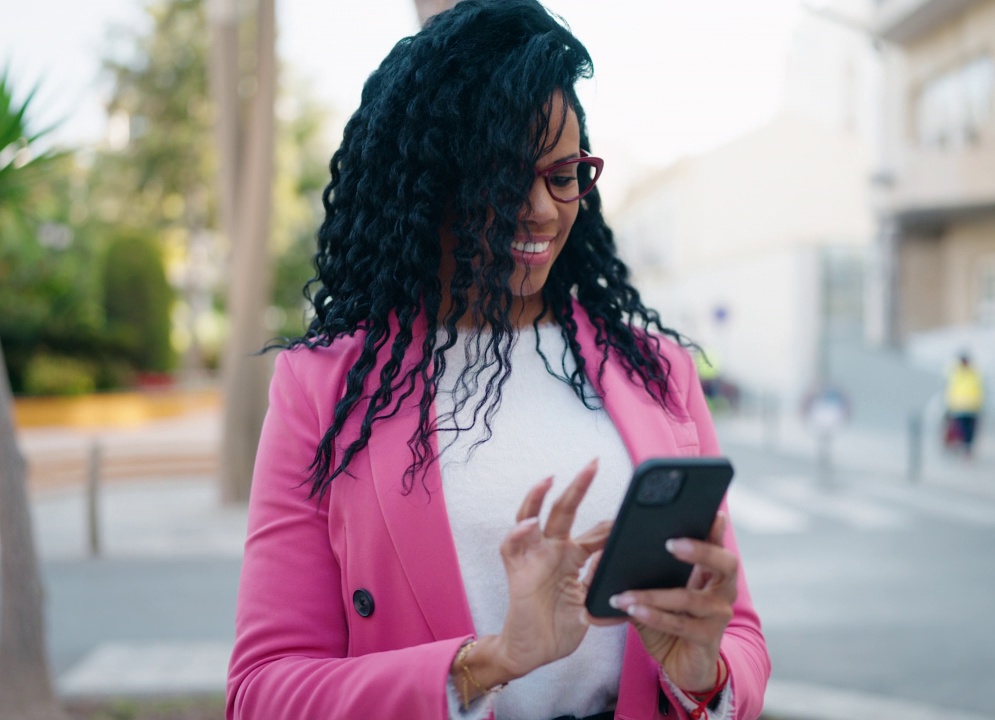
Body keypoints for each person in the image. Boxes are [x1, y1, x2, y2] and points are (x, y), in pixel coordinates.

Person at [226, 2, 770, 718]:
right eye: (502, 175)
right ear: (424, 183)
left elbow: (741, 634)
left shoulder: (656, 370)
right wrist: (485, 665)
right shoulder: (323, 387)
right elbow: (263, 689)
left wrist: (703, 672)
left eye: (563, 173)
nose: (541, 208)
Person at [944, 353, 984, 457]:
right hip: (959, 407)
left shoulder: (974, 373)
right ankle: (961, 447)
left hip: (972, 407)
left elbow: (980, 390)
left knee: (969, 431)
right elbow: (951, 390)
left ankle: (967, 449)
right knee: (961, 429)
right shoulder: (956, 373)